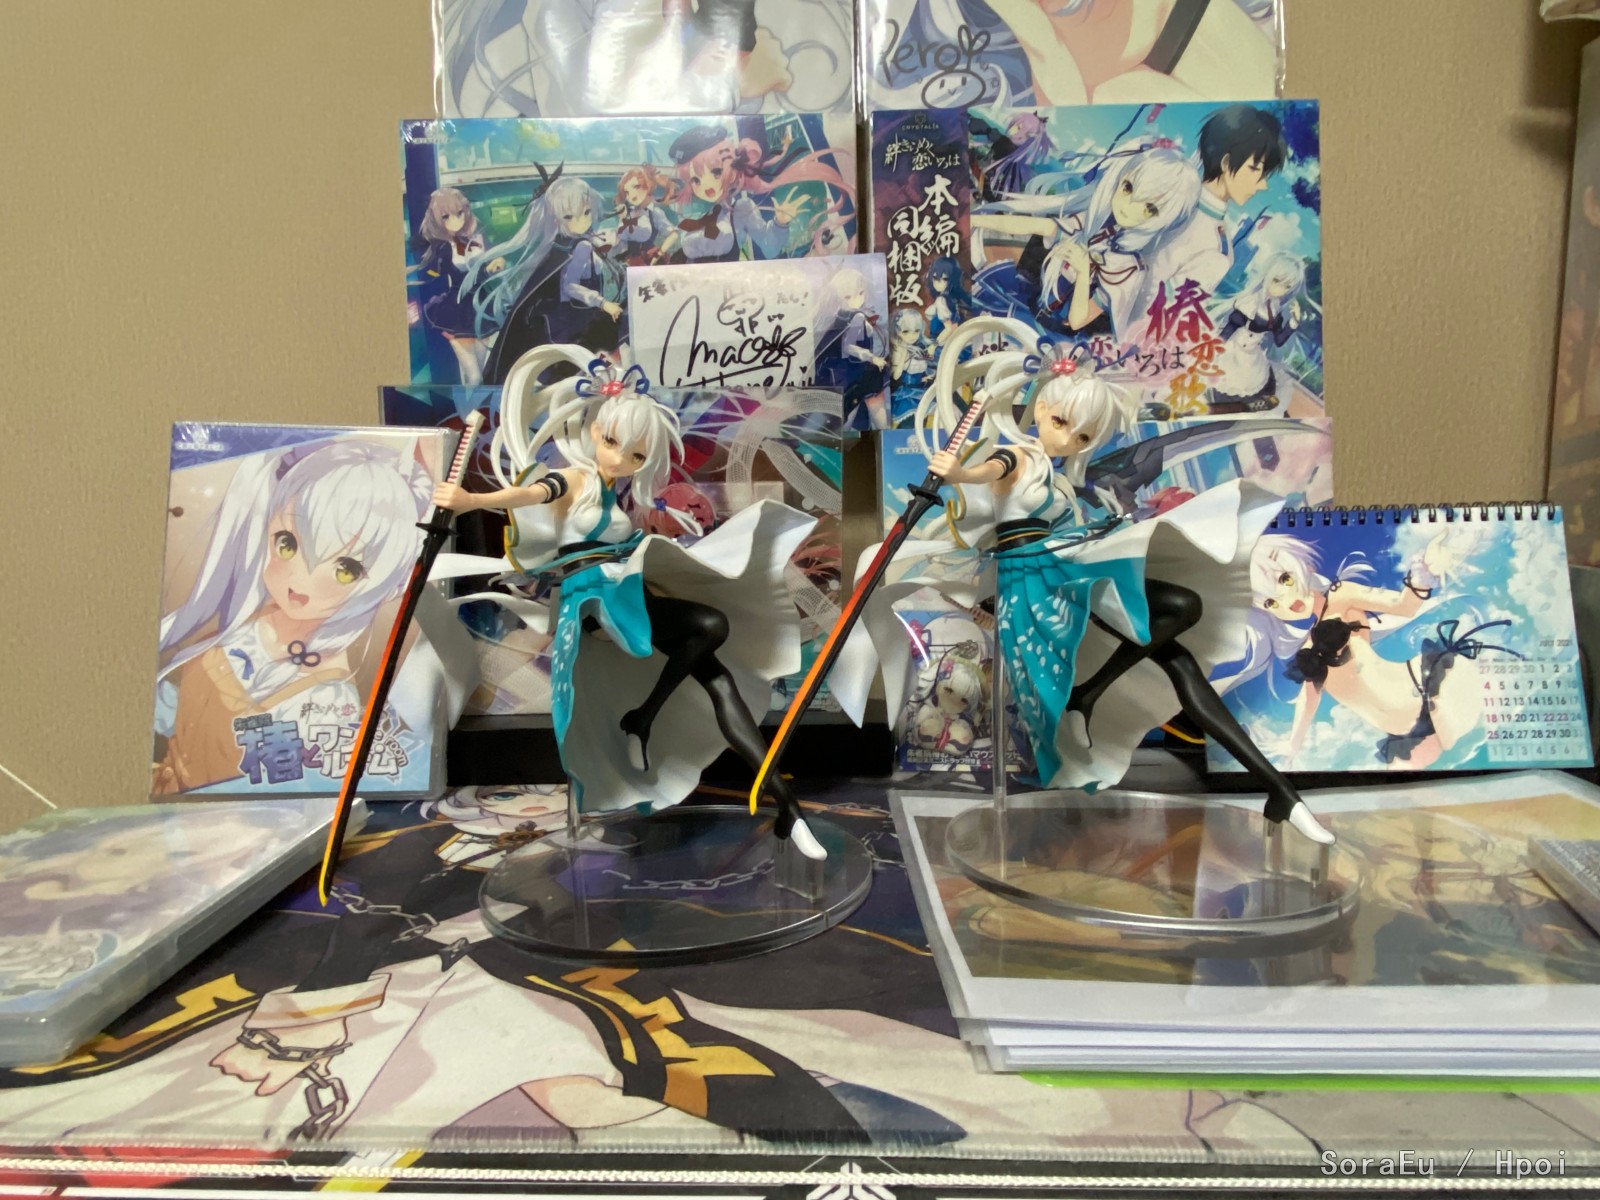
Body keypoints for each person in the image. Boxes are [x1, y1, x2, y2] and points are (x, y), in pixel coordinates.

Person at [832, 315, 1333, 843]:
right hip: (1035, 585)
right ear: (1041, 410)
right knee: (1179, 616)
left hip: (1066, 570)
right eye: (1062, 422)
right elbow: (989, 471)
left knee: (1183, 650)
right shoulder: (1019, 456)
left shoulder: (1061, 482)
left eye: (1084, 434)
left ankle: (1278, 790)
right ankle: (1089, 699)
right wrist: (955, 473)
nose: (1070, 439)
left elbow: (1067, 525)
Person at [432, 345, 825, 856]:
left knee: (720, 681)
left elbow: (626, 546)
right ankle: (644, 714)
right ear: (596, 430)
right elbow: (533, 495)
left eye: (635, 455)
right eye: (613, 442)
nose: (620, 459)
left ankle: (786, 806)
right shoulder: (576, 479)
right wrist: (472, 501)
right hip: (593, 602)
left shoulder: (613, 492)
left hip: (627, 589)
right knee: (710, 625)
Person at [153, 437, 435, 794]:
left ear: (386, 583)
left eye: (346, 569)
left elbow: (294, 794)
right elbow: (177, 715)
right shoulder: (241, 622)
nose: (300, 579)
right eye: (287, 543)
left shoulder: (326, 697)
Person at [1225, 530, 1513, 769]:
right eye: (1271, 603)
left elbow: (1403, 605)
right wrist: (1293, 745)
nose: (1286, 599)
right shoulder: (1308, 651)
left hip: (1430, 689)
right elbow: (1308, 699)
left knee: (1493, 748)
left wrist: (1424, 574)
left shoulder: (1341, 597)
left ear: (1305, 568)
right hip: (1405, 733)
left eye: (1285, 580)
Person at [970, 146, 1201, 343]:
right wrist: (974, 219)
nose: (1128, 206)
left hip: (1055, 338)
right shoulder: (1092, 225)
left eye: (1149, 208)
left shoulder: (1128, 268)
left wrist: (1083, 273)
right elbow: (1040, 226)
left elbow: (1077, 321)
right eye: (1128, 188)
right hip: (1027, 306)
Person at [466, 168, 625, 384]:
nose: (581, 221)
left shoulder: (572, 243)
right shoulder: (578, 246)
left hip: (575, 316)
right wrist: (603, 303)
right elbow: (569, 286)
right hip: (576, 319)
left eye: (586, 212)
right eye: (569, 216)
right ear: (556, 218)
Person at [1149, 103, 1288, 297]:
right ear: (1226, 163)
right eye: (1255, 169)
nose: (1262, 185)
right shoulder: (1209, 237)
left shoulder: (1172, 200)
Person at [411, 187, 499, 385]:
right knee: (474, 377)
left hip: (482, 305)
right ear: (437, 220)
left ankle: (474, 403)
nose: (456, 220)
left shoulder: (478, 238)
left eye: (460, 213)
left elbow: (496, 256)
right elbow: (445, 271)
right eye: (446, 216)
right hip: (458, 309)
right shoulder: (444, 247)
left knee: (482, 374)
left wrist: (497, 262)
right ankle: (469, 404)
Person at [1208, 250, 1305, 414]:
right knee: (1228, 388)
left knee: (1257, 388)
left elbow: (1279, 339)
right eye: (1277, 281)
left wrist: (1294, 322)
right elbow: (1229, 329)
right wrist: (1213, 351)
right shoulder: (1250, 302)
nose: (1280, 289)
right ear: (1267, 275)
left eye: (1287, 286)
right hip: (1234, 352)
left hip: (1252, 356)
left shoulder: (1274, 307)